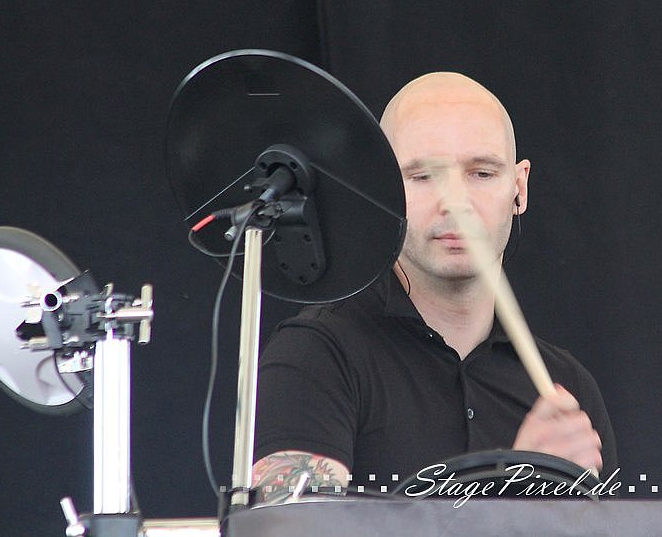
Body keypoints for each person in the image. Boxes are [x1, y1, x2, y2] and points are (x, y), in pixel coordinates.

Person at [251, 72, 616, 497]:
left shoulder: (568, 388)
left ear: (519, 188)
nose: (455, 203)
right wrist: (514, 485)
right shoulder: (316, 356)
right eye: (423, 176)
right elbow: (295, 524)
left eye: (482, 173)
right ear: (383, 189)